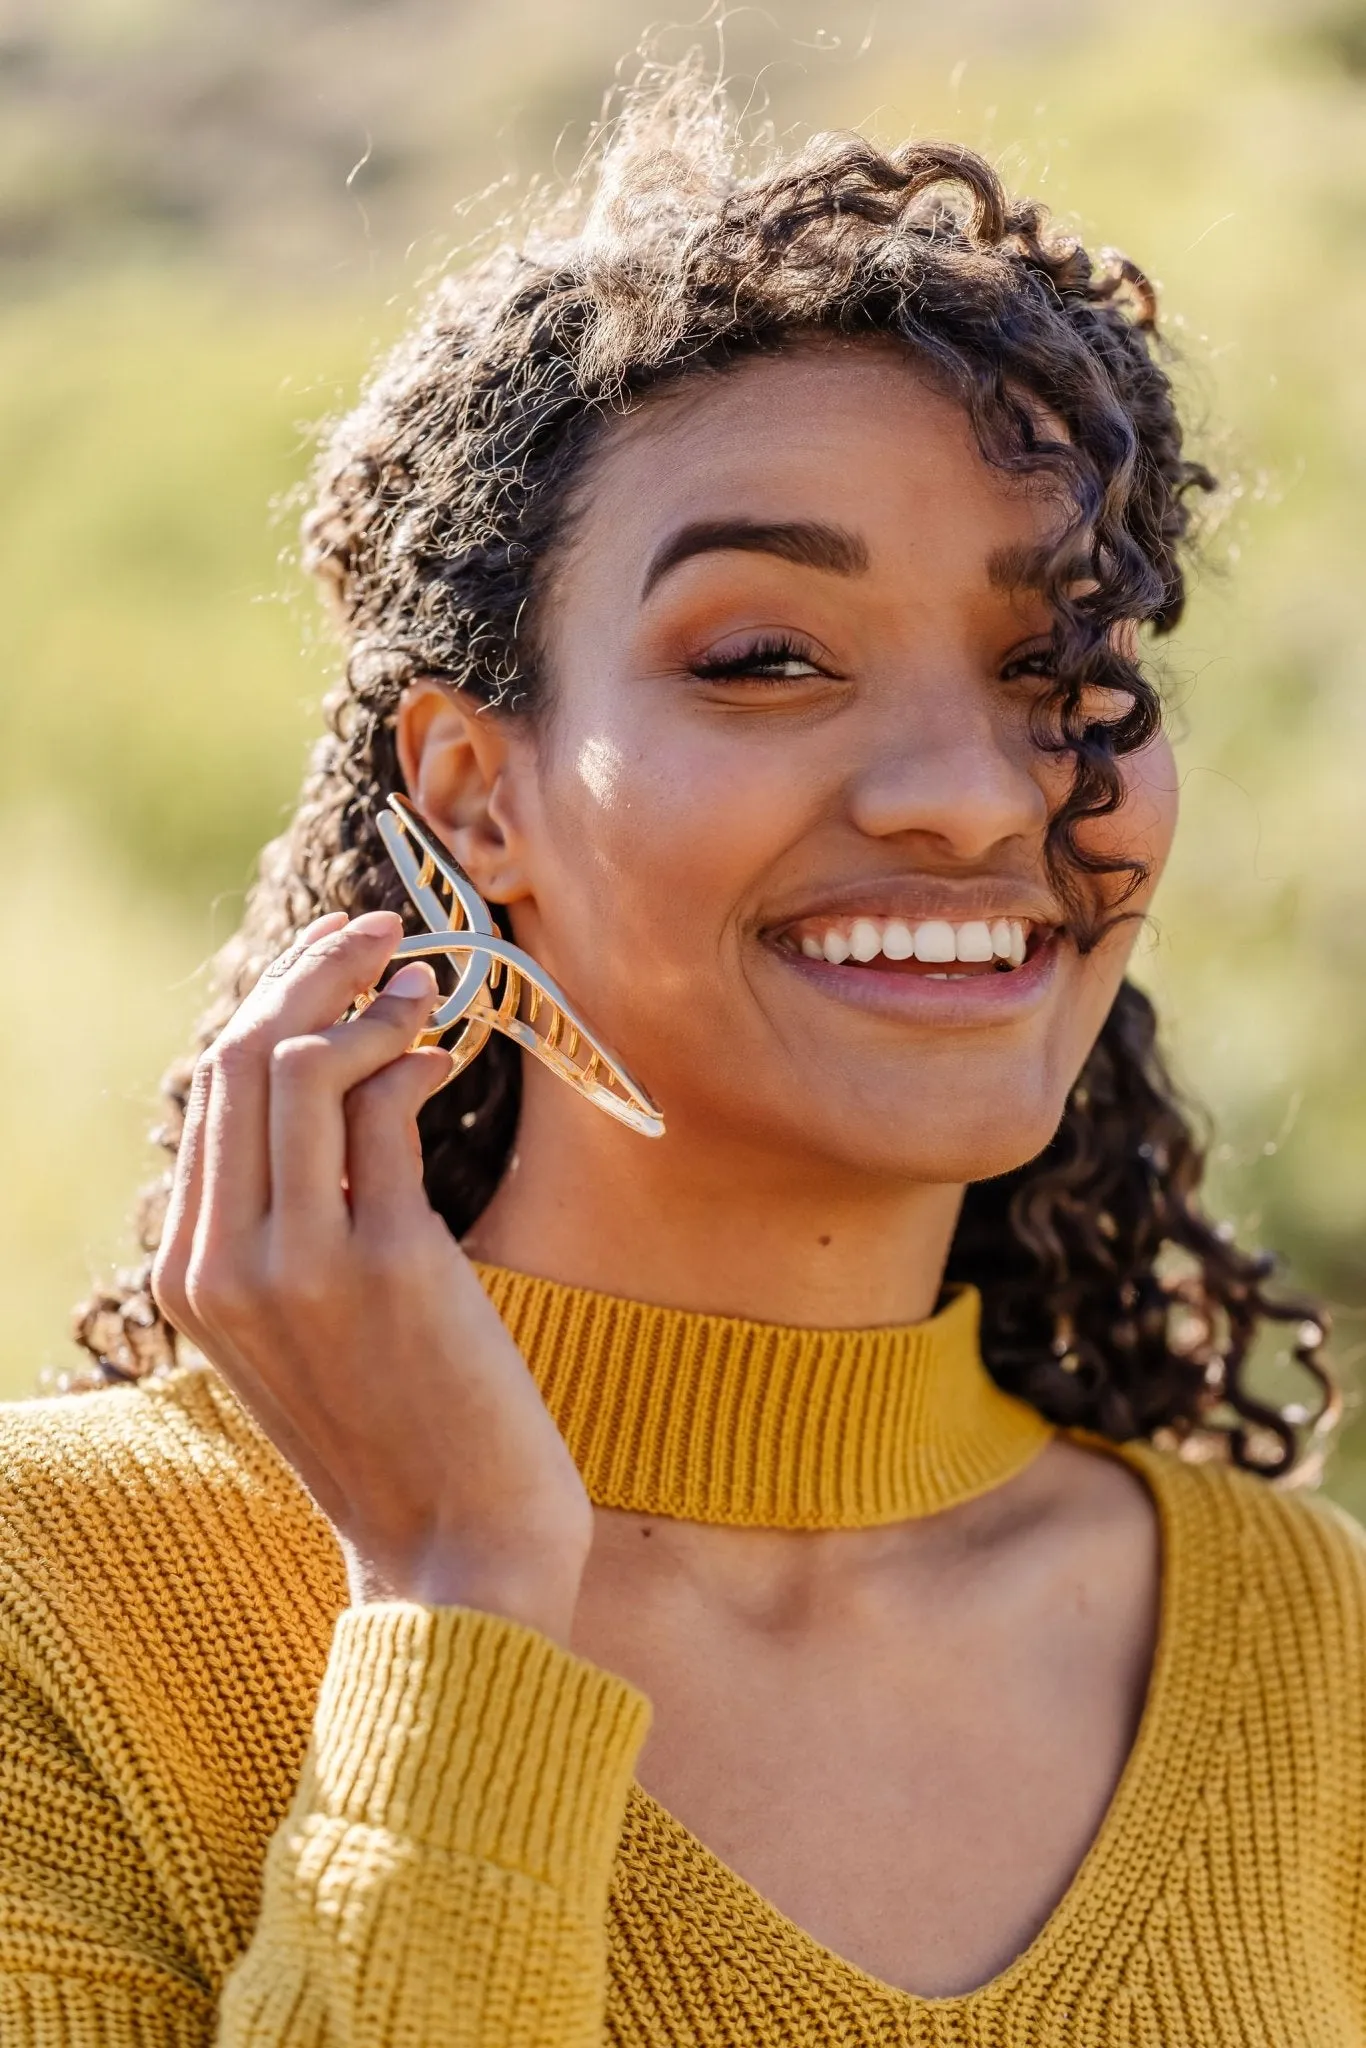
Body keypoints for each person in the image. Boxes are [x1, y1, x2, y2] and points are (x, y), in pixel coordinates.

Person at [0, 69, 1358, 2047]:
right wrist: (459, 1603)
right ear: (473, 794)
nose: (969, 800)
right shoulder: (58, 1608)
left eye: (1059, 672)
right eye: (765, 659)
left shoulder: (1300, 1652)